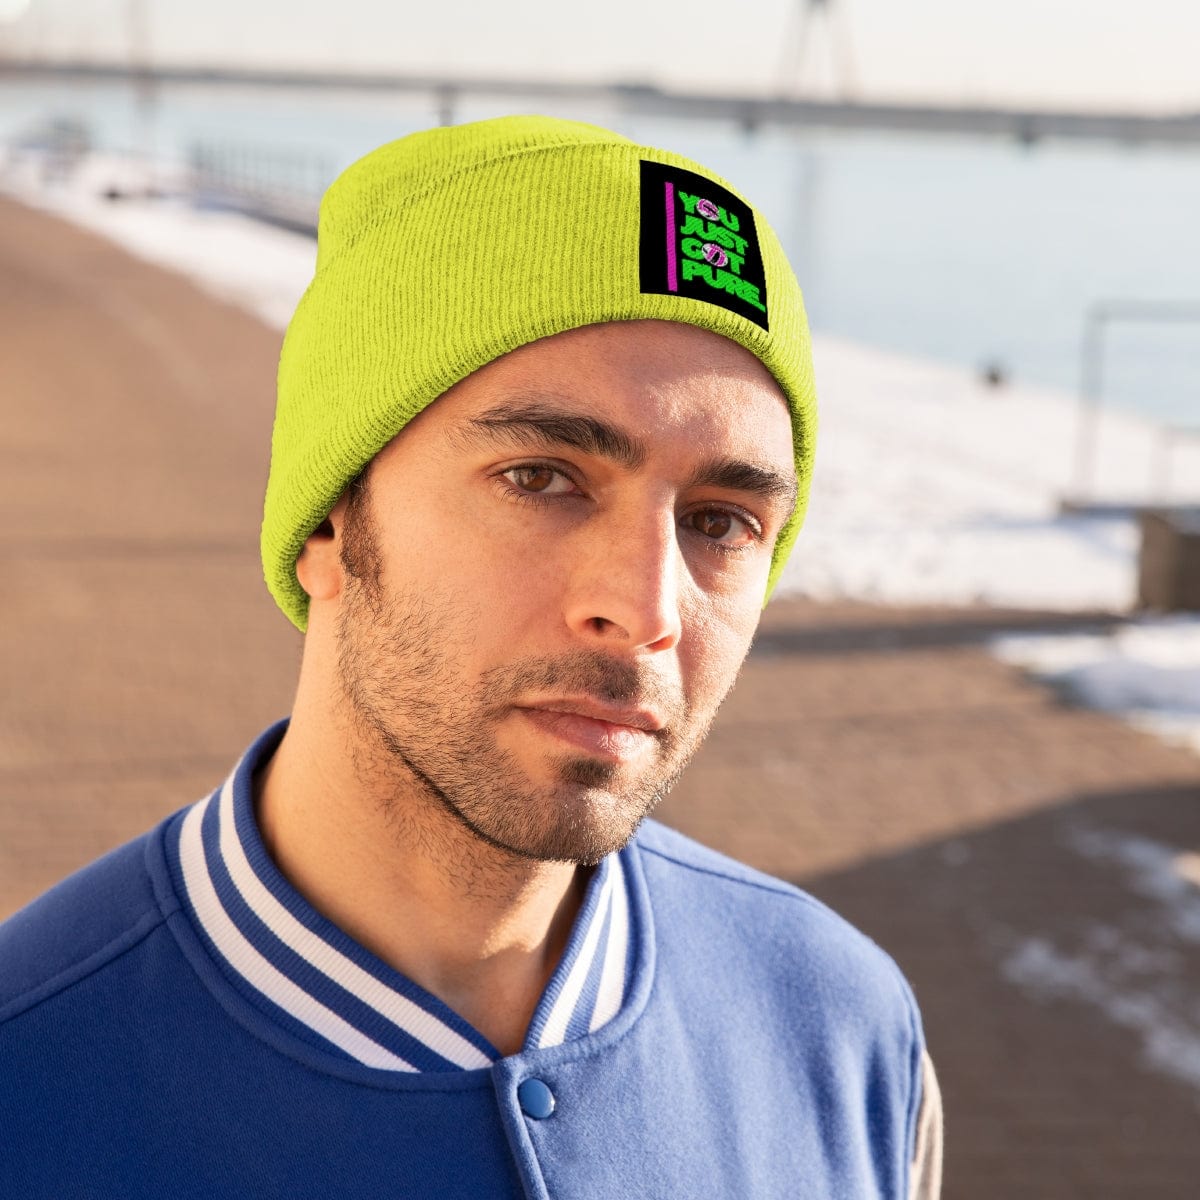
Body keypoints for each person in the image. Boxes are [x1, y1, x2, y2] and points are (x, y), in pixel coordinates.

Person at [0, 114, 942, 1198]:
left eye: (721, 523)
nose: (646, 611)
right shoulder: (30, 1073)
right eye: (542, 479)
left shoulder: (843, 1027)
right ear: (329, 523)